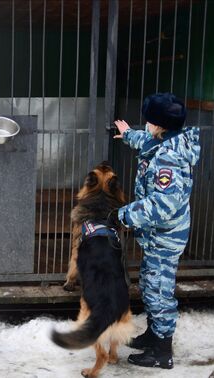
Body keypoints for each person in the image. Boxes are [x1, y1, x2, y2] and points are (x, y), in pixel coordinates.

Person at [113, 92, 200, 369]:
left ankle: (162, 352)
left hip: (165, 236)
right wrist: (128, 135)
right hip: (159, 235)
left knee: (159, 291)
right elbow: (147, 142)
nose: (146, 125)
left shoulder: (169, 160)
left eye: (149, 121)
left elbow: (163, 204)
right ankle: (154, 334)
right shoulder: (167, 140)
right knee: (151, 285)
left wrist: (121, 216)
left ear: (160, 125)